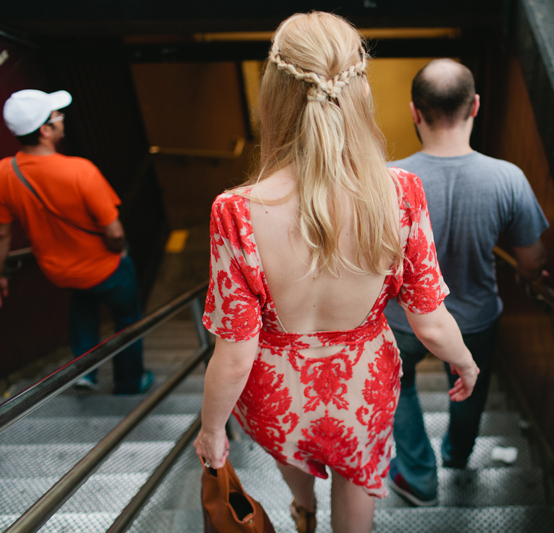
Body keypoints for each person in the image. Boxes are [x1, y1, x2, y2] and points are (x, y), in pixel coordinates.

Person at [191, 12, 479, 533]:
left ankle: (304, 512)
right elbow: (431, 321)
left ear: (274, 95)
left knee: (291, 455)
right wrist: (464, 363)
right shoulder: (403, 193)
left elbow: (234, 357)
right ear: (359, 91)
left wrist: (212, 429)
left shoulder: (234, 212)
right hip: (364, 383)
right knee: (359, 475)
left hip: (276, 391)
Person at [383, 58, 549, 507]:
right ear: (475, 106)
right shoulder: (507, 178)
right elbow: (533, 259)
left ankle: (418, 475)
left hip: (403, 321)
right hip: (475, 320)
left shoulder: (386, 182)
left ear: (415, 112)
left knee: (398, 387)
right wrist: (527, 275)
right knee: (470, 386)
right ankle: (456, 456)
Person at [0, 89, 153, 394]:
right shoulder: (80, 171)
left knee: (84, 302)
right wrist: (119, 251)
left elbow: (2, 232)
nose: (62, 119)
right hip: (104, 267)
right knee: (127, 319)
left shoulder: (5, 172)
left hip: (59, 271)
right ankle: (129, 382)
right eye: (57, 116)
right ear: (45, 130)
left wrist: (1, 273)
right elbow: (115, 232)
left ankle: (85, 372)